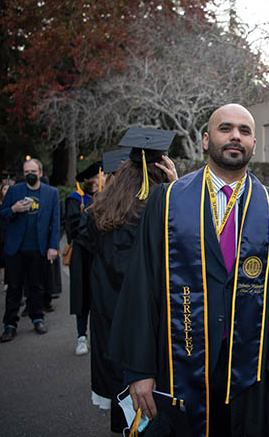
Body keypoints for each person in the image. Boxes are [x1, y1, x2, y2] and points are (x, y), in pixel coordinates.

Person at [109, 105, 269, 437]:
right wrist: (139, 369)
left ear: (254, 145)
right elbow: (142, 285)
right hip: (180, 356)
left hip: (252, 365)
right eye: (225, 128)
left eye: (245, 131)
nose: (235, 136)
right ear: (206, 140)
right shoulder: (168, 200)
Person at [71, 145, 176, 433]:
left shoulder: (98, 212)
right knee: (160, 405)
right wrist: (176, 188)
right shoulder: (161, 209)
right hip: (151, 319)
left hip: (111, 317)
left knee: (125, 401)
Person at [0, 158, 60, 342]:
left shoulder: (51, 193)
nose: (30, 175)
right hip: (16, 248)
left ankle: (37, 317)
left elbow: (55, 222)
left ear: (40, 173)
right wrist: (13, 209)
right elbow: (1, 214)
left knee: (36, 286)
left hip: (38, 248)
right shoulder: (15, 190)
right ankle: (10, 324)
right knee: (14, 287)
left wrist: (53, 246)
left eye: (33, 171)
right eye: (26, 172)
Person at [66, 162, 104, 356]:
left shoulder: (108, 199)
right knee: (82, 295)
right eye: (101, 175)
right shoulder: (76, 200)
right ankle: (82, 336)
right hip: (82, 255)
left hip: (99, 256)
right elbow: (72, 230)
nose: (104, 178)